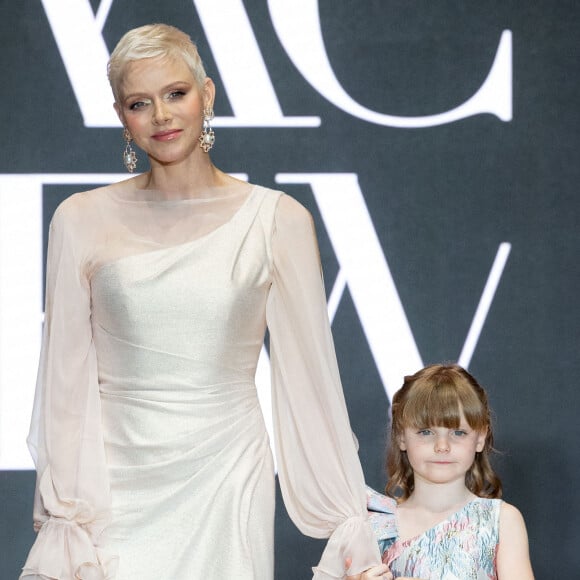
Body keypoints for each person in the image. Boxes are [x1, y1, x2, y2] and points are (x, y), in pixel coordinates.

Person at [19, 23, 381, 580]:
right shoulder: (79, 220)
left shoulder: (277, 221)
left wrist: (345, 523)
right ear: (122, 115)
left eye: (176, 94)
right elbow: (64, 383)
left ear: (207, 94)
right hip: (114, 483)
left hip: (227, 471)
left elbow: (312, 381)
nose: (162, 116)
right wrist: (67, 512)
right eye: (141, 103)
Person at [347, 363, 534, 580]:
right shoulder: (374, 526)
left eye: (458, 432)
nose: (442, 446)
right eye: (426, 432)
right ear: (401, 436)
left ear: (480, 437)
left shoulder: (501, 521)